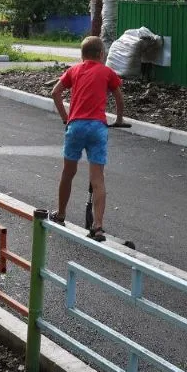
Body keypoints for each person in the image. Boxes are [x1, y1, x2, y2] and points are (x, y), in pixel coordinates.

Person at [50, 36, 125, 242]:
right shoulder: (107, 72)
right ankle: (98, 227)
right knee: (97, 178)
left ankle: (61, 214)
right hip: (97, 128)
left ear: (82, 55)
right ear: (102, 55)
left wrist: (66, 118)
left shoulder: (74, 70)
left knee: (68, 172)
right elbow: (119, 97)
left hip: (76, 126)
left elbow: (55, 93)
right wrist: (118, 119)